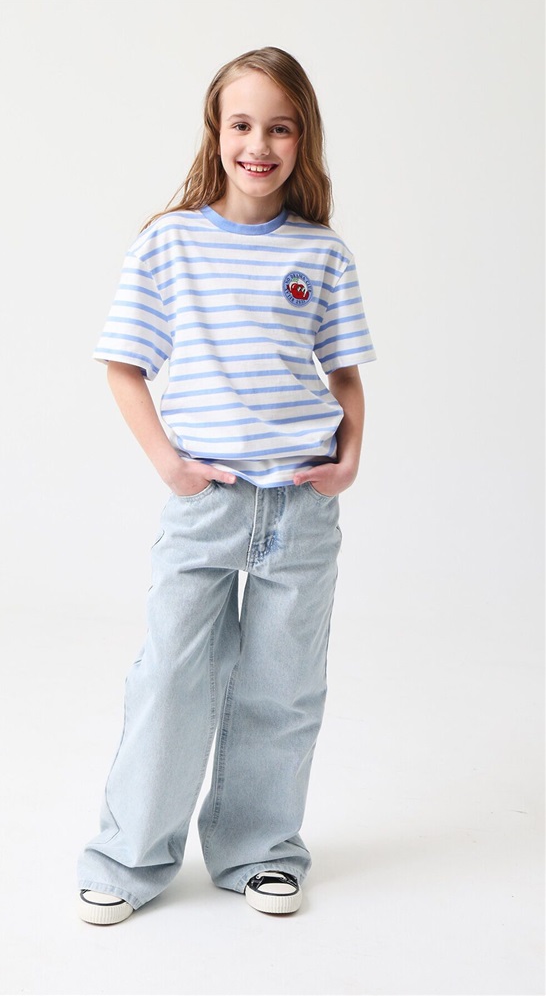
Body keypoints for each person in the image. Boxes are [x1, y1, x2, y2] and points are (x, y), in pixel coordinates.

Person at [77, 46, 376, 925]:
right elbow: (125, 366)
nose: (259, 145)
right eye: (241, 124)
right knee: (170, 680)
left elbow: (345, 374)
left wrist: (349, 458)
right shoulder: (169, 242)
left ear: (303, 139)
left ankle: (260, 852)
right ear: (215, 132)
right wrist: (169, 465)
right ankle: (128, 858)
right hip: (206, 505)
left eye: (280, 128)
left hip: (301, 509)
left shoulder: (323, 253)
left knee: (282, 688)